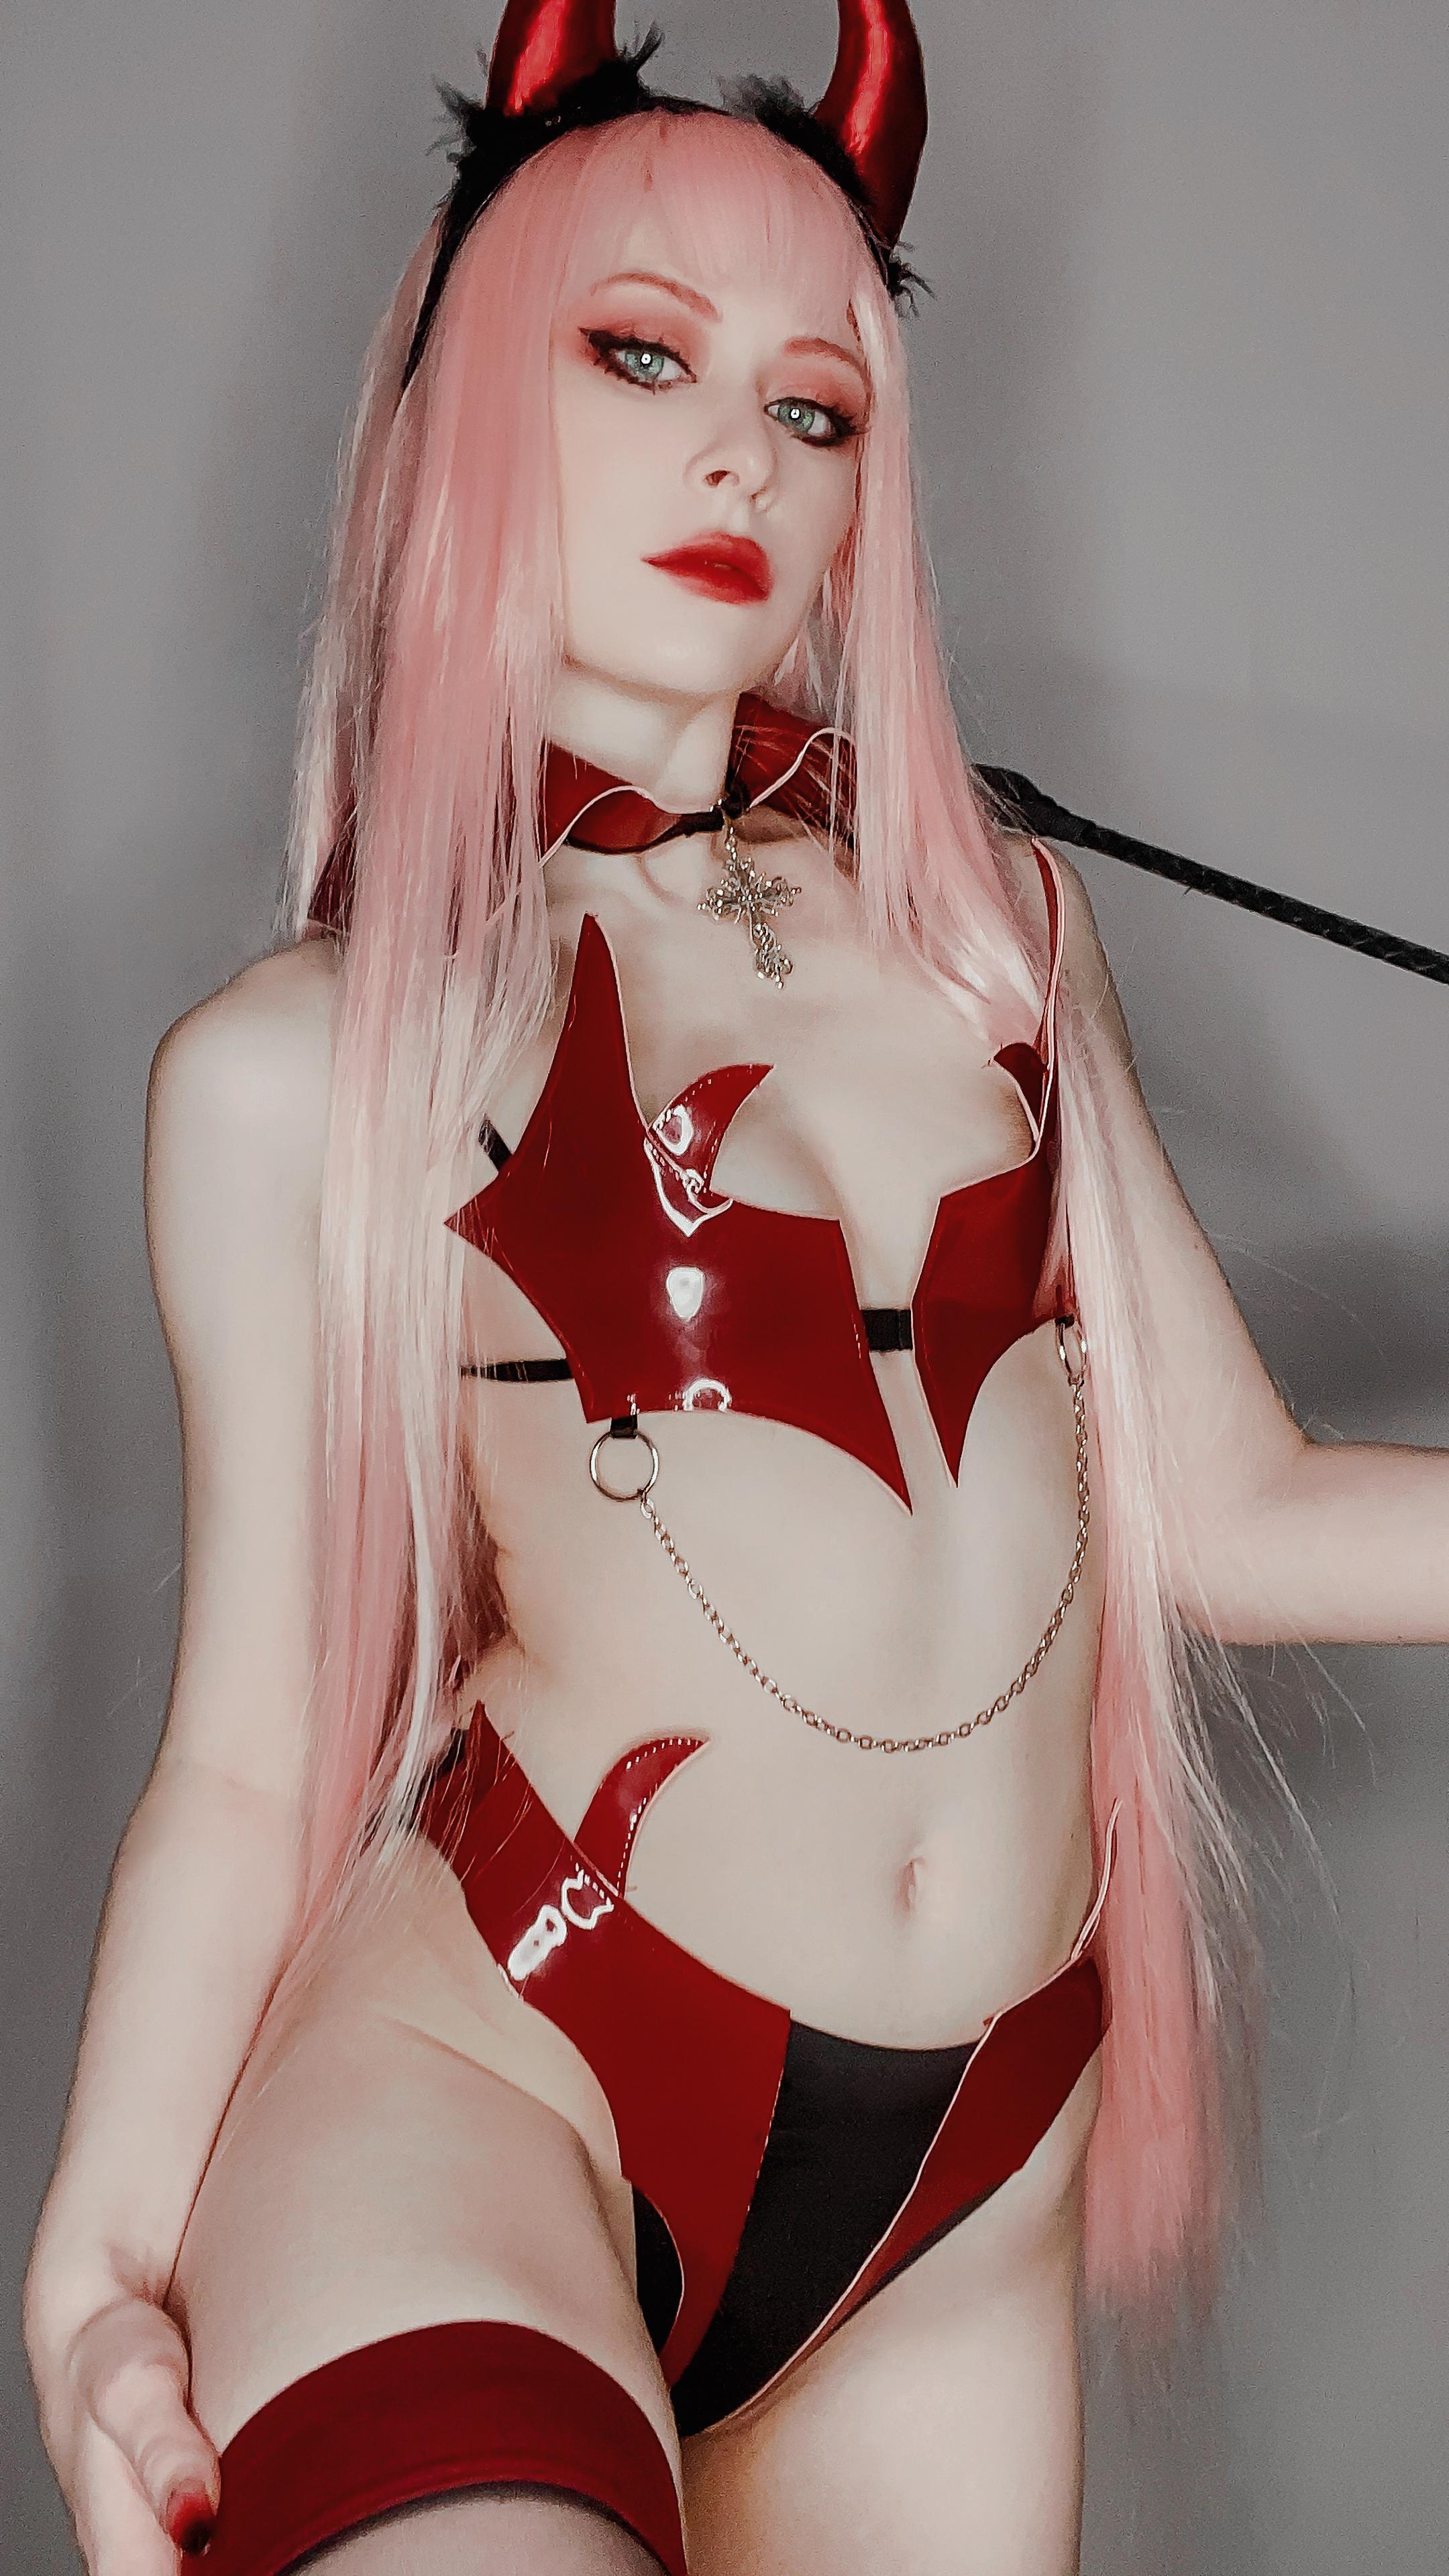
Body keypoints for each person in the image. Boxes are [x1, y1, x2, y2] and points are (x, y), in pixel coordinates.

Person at [23, 5, 1449, 2571]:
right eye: (641, 355)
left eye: (818, 406)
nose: (742, 460)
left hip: (971, 2171)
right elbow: (246, 1754)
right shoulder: (304, 1064)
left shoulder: (1001, 939)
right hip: (504, 2071)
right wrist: (94, 2278)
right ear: (464, 392)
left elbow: (1240, 1517)